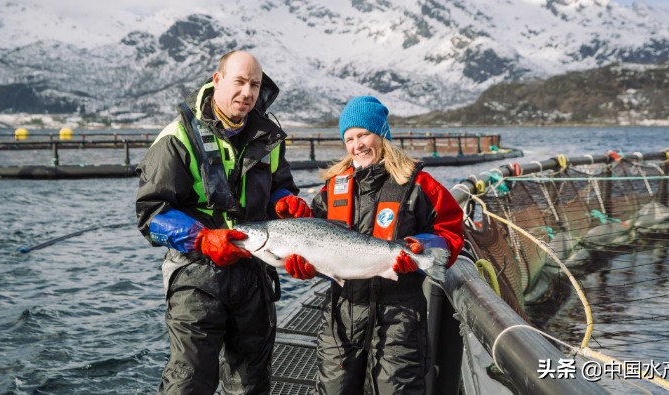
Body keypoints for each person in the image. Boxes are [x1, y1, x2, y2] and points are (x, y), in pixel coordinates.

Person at [135, 50, 312, 395]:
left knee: (251, 384)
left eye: (255, 85)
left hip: (255, 274)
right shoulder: (177, 138)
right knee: (189, 382)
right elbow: (151, 214)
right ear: (217, 81)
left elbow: (280, 188)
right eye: (240, 82)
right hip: (195, 276)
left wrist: (285, 203)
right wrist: (202, 239)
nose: (247, 92)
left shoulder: (269, 138)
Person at [282, 96, 465, 395]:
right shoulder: (331, 189)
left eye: (364, 134)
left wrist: (421, 245)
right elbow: (313, 241)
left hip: (399, 319)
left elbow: (451, 232)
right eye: (350, 138)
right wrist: (305, 267)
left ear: (381, 134)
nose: (358, 145)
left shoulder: (420, 184)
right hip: (340, 319)